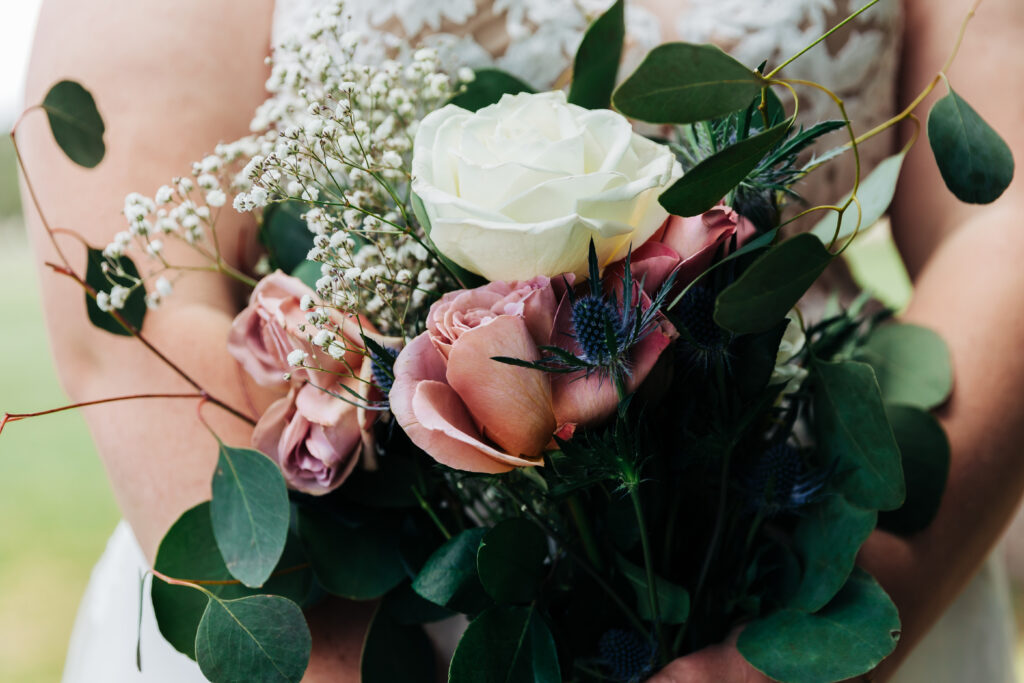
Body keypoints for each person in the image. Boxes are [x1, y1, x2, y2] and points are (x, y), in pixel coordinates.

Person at [18, 0, 1024, 681]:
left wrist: (814, 638)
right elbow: (142, 286)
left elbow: (1007, 219)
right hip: (357, 592)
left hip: (807, 557)